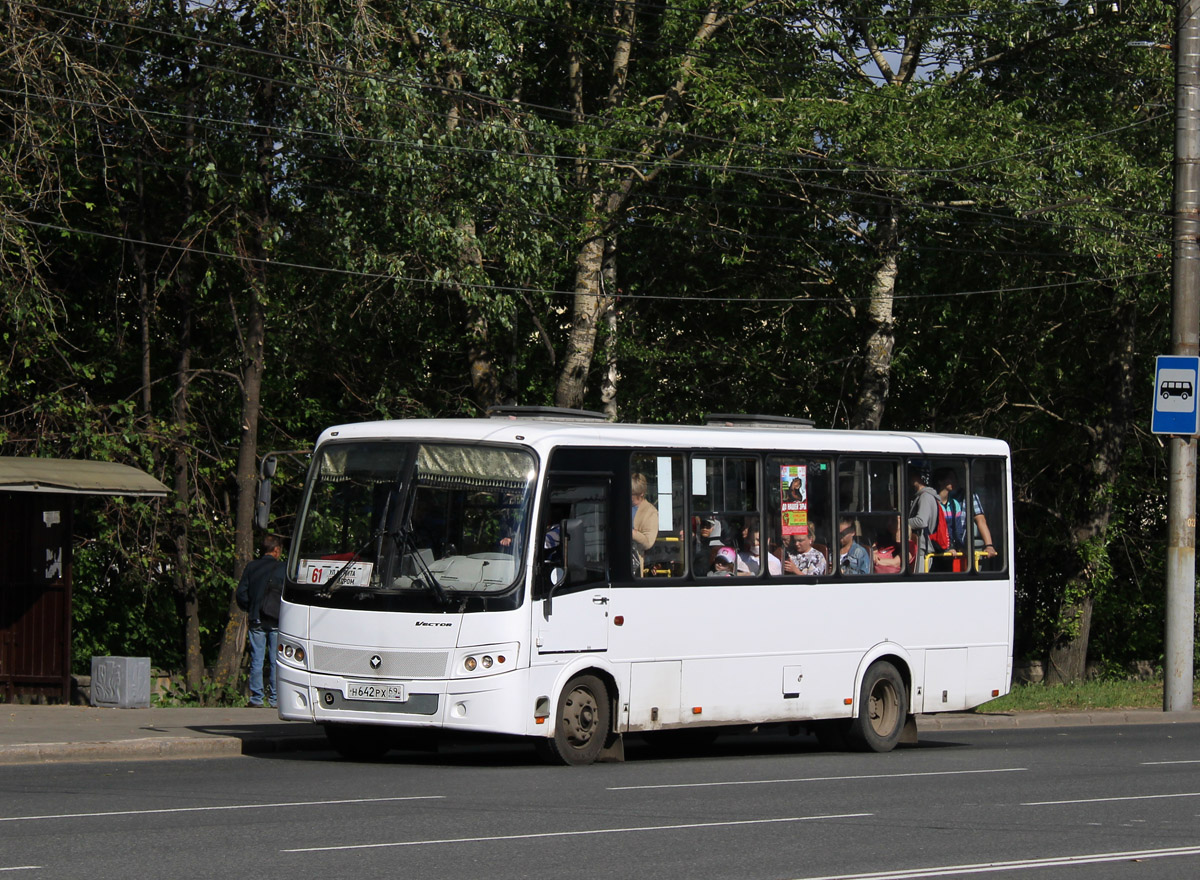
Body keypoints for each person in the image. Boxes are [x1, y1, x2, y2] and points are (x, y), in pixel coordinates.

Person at [239, 533, 285, 708]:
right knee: (275, 660)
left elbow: (241, 593)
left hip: (256, 618)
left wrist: (251, 607)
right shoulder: (282, 568)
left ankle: (256, 698)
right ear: (276, 550)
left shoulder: (252, 567)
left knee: (257, 659)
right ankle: (274, 699)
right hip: (276, 619)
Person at [931, 467, 998, 561]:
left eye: (955, 478)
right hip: (936, 549)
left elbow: (980, 520)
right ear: (940, 481)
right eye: (950, 478)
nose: (954, 481)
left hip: (957, 548)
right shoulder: (932, 502)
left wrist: (989, 545)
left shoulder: (959, 501)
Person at [907, 465, 941, 571]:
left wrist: (901, 522)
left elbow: (921, 521)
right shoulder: (921, 496)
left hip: (922, 549)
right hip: (920, 547)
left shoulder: (925, 496)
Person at [631, 473, 659, 575]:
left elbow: (648, 542)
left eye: (632, 493)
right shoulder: (621, 505)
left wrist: (632, 533)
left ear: (641, 494)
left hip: (634, 565)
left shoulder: (650, 512)